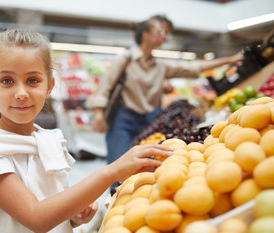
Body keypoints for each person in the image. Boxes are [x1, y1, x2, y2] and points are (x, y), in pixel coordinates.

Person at [0, 28, 173, 233]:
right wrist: (112, 171)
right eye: (7, 80)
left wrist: (74, 216)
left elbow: (53, 206)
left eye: (33, 80)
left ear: (49, 86)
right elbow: (36, 218)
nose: (21, 93)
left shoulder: (49, 139)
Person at [86, 14, 244, 189]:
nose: (165, 36)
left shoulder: (160, 66)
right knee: (118, 167)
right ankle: (113, 205)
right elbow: (105, 85)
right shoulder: (126, 59)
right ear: (145, 34)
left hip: (149, 120)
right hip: (123, 119)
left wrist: (231, 60)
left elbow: (194, 68)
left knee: (144, 168)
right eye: (160, 31)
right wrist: (99, 114)